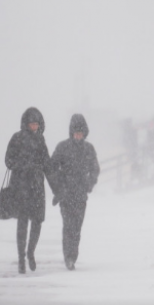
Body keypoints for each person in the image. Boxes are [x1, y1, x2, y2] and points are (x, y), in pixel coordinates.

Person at [5, 107, 52, 274]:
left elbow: (47, 164)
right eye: (32, 124)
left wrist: (57, 189)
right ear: (26, 124)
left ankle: (31, 252)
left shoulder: (41, 140)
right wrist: (24, 166)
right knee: (22, 222)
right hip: (21, 187)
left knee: (37, 221)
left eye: (36, 124)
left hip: (37, 188)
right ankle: (20, 258)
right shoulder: (17, 138)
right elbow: (8, 161)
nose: (34, 127)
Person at [50, 114, 100, 270]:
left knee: (77, 227)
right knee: (68, 226)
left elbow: (95, 169)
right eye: (76, 133)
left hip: (80, 195)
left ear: (85, 133)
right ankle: (69, 258)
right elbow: (51, 169)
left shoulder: (89, 149)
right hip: (65, 195)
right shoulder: (62, 147)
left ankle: (73, 255)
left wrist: (89, 184)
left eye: (81, 133)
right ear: (71, 132)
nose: (78, 136)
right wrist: (59, 188)